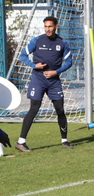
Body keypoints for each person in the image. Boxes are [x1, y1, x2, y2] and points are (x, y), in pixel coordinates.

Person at [16, 16, 73, 152]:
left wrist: (56, 72)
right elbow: (22, 56)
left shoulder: (62, 43)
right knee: (34, 109)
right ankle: (21, 142)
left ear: (56, 27)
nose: (47, 29)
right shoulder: (36, 40)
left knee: (60, 109)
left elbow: (69, 62)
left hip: (54, 81)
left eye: (50, 26)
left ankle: (64, 141)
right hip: (38, 80)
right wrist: (34, 65)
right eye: (46, 26)